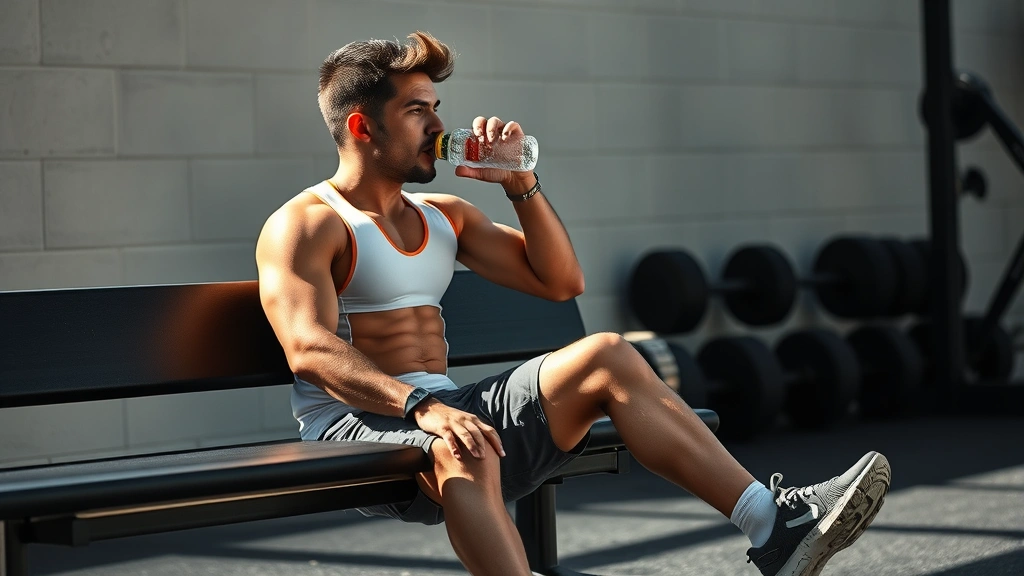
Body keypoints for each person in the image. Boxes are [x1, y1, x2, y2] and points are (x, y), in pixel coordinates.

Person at [255, 31, 891, 576]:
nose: (439, 127)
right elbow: (308, 349)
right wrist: (421, 407)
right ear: (363, 126)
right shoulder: (308, 223)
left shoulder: (444, 215)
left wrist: (521, 185)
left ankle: (772, 526)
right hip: (355, 428)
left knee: (609, 355)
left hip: (445, 410)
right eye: (418, 110)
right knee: (463, 445)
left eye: (437, 107)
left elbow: (560, 282)